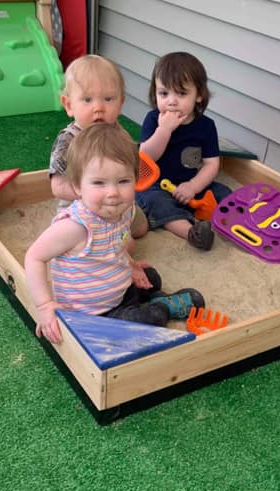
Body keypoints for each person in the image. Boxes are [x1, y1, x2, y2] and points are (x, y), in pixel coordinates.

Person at [25, 124, 204, 344]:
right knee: (148, 321)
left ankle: (153, 297)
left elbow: (117, 245)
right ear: (78, 186)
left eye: (123, 181)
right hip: (93, 314)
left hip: (119, 289)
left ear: (135, 179)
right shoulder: (75, 226)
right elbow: (34, 256)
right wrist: (44, 305)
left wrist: (132, 264)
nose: (113, 193)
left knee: (151, 276)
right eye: (99, 183)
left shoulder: (125, 210)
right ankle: (162, 306)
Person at [137, 52, 232, 250]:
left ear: (198, 95)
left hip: (190, 182)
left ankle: (234, 222)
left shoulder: (206, 126)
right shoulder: (153, 120)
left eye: (181, 93)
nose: (171, 101)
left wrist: (193, 186)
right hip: (156, 184)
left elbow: (211, 164)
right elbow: (145, 158)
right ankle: (192, 232)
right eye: (164, 93)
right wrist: (164, 130)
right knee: (154, 202)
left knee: (224, 193)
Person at [48, 53, 147, 239]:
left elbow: (131, 167)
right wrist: (93, 196)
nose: (98, 107)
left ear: (121, 103)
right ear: (68, 105)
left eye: (108, 99)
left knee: (141, 228)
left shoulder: (119, 134)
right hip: (79, 208)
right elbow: (58, 187)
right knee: (78, 242)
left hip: (116, 203)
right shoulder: (67, 141)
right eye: (87, 100)